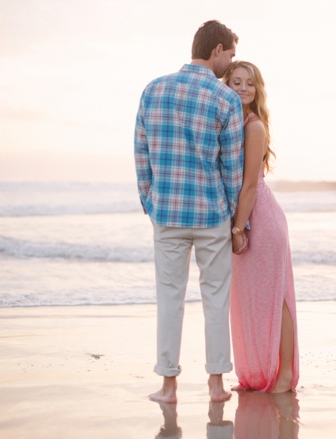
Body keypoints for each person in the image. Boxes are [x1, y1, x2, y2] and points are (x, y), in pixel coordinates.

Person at [134, 20, 244, 403]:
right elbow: (232, 167)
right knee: (216, 296)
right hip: (211, 214)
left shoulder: (153, 90)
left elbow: (141, 155)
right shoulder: (224, 98)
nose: (231, 63)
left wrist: (151, 203)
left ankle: (168, 386)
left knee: (170, 297)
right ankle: (216, 384)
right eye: (230, 54)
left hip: (167, 215)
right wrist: (231, 217)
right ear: (215, 50)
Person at [222, 61, 300, 393]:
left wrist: (239, 230)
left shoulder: (253, 127)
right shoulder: (227, 124)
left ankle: (283, 375)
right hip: (243, 216)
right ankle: (255, 375)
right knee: (250, 298)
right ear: (226, 85)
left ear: (257, 91)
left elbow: (250, 185)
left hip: (261, 221)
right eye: (236, 81)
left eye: (250, 84)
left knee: (275, 296)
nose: (243, 88)